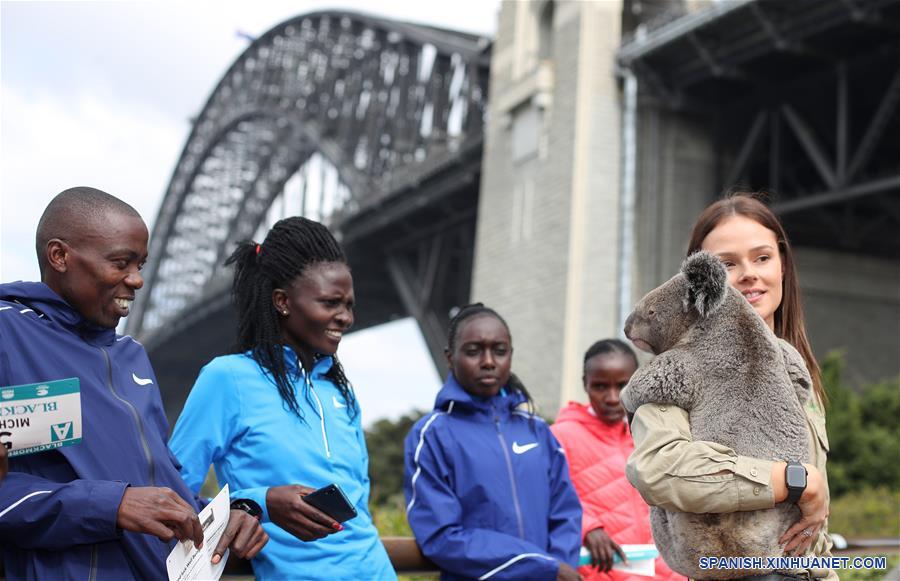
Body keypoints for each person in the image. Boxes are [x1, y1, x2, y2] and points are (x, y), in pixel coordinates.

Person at [0, 187, 267, 580]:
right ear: (59, 256)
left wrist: (228, 515)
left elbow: (159, 484)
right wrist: (112, 505)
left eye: (141, 264)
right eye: (121, 263)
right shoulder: (8, 333)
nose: (138, 280)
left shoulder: (132, 356)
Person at [169, 216, 395, 581]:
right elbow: (172, 497)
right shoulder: (227, 379)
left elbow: (360, 509)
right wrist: (258, 502)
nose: (346, 317)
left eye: (349, 305)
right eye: (330, 302)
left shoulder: (339, 390)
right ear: (282, 301)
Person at [626, 193, 835, 580]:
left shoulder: (797, 370)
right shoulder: (676, 372)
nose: (748, 274)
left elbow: (809, 527)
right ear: (699, 284)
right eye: (726, 265)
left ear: (783, 266)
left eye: (762, 257)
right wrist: (791, 480)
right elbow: (657, 468)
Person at [404, 303, 583, 581]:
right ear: (450, 358)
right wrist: (540, 566)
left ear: (510, 355)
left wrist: (558, 567)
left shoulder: (537, 431)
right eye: (474, 351)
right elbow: (440, 535)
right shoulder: (431, 436)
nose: (488, 361)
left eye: (499, 351)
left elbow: (566, 512)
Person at [551, 339, 682, 581]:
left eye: (623, 385)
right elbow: (548, 496)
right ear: (585, 384)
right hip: (602, 569)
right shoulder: (560, 436)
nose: (612, 397)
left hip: (665, 569)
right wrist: (587, 526)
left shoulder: (655, 431)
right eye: (600, 386)